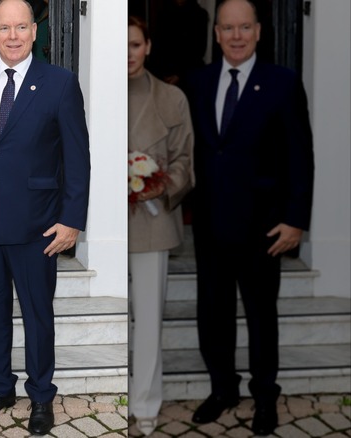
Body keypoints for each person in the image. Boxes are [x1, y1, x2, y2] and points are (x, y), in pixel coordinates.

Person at [183, 0, 314, 435]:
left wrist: (296, 219)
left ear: (258, 31)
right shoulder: (197, 83)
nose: (236, 36)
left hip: (266, 228)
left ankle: (263, 396)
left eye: (244, 27)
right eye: (227, 28)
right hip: (210, 226)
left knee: (261, 317)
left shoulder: (283, 83)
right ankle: (223, 390)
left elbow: (300, 156)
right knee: (213, 314)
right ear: (216, 34)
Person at [0, 0, 90, 435]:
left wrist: (72, 219)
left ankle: (40, 395)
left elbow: (77, 157)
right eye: (3, 28)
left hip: (39, 225)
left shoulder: (60, 83)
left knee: (37, 315)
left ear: (35, 31)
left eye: (20, 27)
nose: (12, 36)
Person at [127, 16, 194, 437]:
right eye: (120, 46)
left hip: (153, 222)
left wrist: (160, 185)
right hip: (109, 225)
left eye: (134, 44)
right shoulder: (94, 94)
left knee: (149, 318)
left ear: (148, 46)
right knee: (118, 315)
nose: (128, 53)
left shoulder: (172, 98)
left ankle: (146, 403)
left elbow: (187, 159)